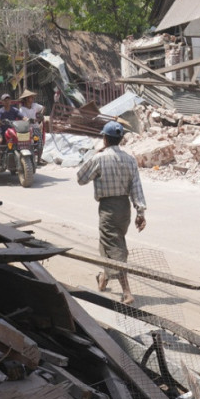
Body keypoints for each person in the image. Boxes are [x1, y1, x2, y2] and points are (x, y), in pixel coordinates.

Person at [76, 121, 147, 306]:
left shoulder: (100, 158)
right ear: (121, 139)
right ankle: (104, 278)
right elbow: (136, 188)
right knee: (107, 243)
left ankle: (127, 292)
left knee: (115, 247)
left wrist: (94, 154)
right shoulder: (130, 160)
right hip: (124, 208)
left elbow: (81, 178)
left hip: (108, 208)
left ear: (105, 139)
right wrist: (140, 212)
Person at [17, 88, 46, 164]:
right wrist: (34, 120)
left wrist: (41, 114)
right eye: (31, 97)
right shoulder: (22, 109)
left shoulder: (34, 105)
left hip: (35, 128)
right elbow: (26, 119)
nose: (33, 99)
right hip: (27, 129)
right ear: (26, 99)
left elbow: (43, 108)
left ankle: (39, 160)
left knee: (40, 143)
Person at [0, 93, 21, 166]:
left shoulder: (15, 110)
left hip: (13, 132)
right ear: (2, 102)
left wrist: (27, 119)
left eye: (8, 100)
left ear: (10, 101)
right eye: (5, 100)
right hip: (2, 133)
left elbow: (22, 116)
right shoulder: (0, 111)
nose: (7, 102)